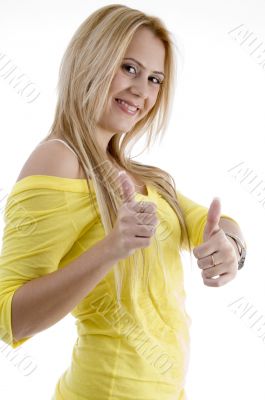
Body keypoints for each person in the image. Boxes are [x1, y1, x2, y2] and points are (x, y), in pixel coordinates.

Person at [0, 4, 246, 400]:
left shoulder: (143, 177)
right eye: (129, 68)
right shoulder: (59, 159)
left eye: (154, 79)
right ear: (92, 61)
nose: (141, 90)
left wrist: (232, 247)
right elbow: (11, 317)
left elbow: (213, 223)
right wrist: (111, 248)